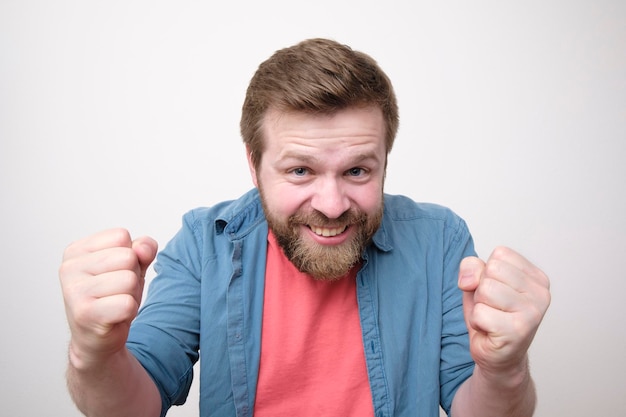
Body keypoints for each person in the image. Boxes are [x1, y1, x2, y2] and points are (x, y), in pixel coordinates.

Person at [59, 38, 551, 417]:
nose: (333, 205)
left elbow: (478, 404)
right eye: (300, 171)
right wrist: (93, 353)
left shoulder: (439, 239)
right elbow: (133, 404)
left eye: (358, 170)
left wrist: (503, 369)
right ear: (254, 166)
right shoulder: (202, 244)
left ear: (384, 162)